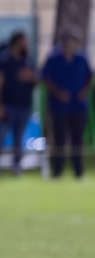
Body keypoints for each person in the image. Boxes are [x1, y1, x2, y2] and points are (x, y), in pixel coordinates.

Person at [41, 30, 92, 180]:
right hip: (59, 106)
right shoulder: (54, 58)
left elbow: (89, 77)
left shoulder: (82, 58)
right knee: (59, 139)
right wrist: (58, 93)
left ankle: (79, 171)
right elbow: (46, 78)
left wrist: (84, 92)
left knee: (78, 139)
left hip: (78, 106)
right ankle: (57, 171)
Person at [0, 32, 37, 176]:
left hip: (24, 105)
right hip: (7, 105)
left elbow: (37, 79)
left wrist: (31, 78)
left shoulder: (28, 60)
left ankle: (16, 165)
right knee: (0, 136)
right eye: (24, 41)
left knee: (19, 138)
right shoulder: (5, 60)